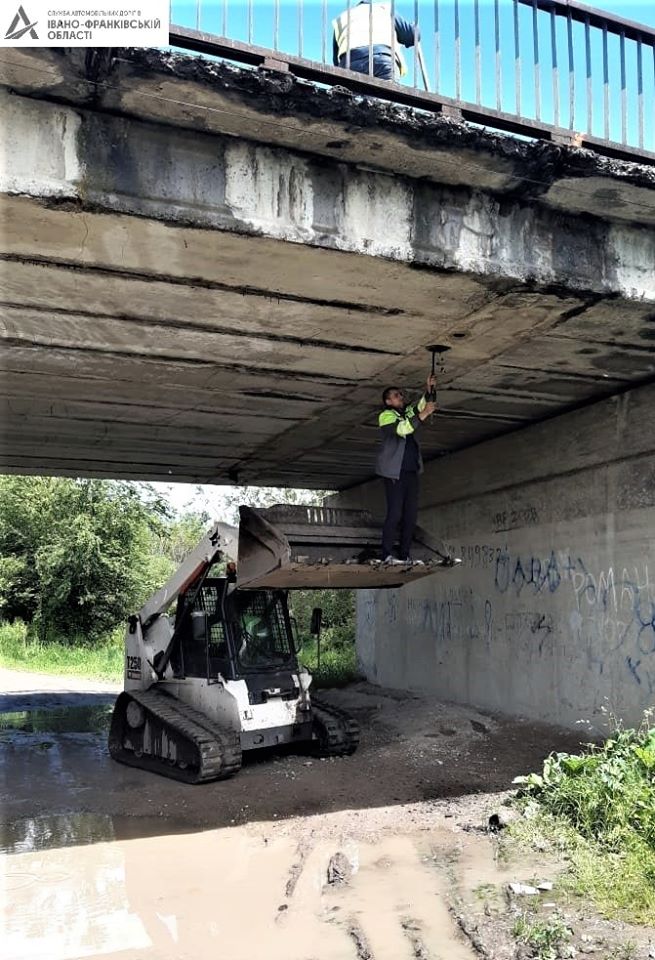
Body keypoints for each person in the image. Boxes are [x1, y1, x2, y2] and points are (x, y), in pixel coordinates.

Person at [375, 376, 437, 563]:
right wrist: (424, 414)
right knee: (395, 513)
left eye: (400, 394)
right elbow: (403, 429)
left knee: (410, 515)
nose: (400, 396)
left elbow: (420, 405)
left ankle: (404, 554)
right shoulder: (385, 416)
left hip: (411, 472)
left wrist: (430, 389)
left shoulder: (407, 412)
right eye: (396, 395)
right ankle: (386, 554)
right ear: (388, 401)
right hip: (394, 473)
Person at [332, 0, 419, 81]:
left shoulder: (341, 18)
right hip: (381, 62)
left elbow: (336, 61)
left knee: (349, 96)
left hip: (348, 65)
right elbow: (411, 36)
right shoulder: (384, 9)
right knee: (387, 95)